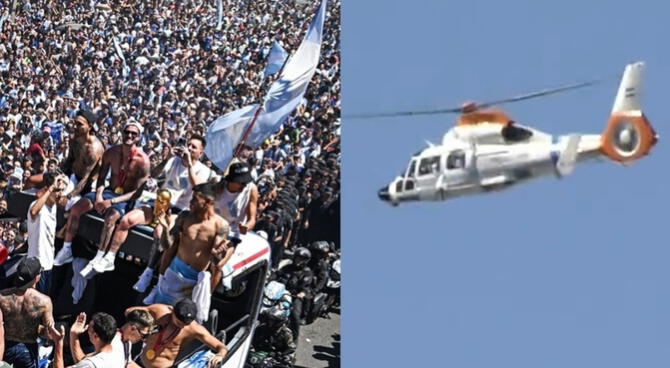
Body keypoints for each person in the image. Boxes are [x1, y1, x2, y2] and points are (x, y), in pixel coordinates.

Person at [109, 135, 216, 292]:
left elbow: (197, 188)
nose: (189, 148)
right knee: (127, 219)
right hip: (159, 203)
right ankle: (109, 257)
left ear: (201, 152)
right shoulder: (174, 161)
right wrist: (168, 158)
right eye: (188, 145)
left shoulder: (205, 171)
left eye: (193, 147)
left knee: (160, 233)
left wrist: (190, 165)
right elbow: (154, 174)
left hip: (178, 211)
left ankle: (149, 271)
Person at [55, 121, 150, 275]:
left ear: (138, 137)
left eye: (133, 133)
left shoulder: (143, 161)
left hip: (124, 198)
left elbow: (136, 193)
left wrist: (111, 202)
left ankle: (100, 257)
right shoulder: (111, 153)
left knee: (111, 218)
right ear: (122, 132)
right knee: (77, 208)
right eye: (127, 132)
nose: (129, 136)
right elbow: (101, 178)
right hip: (107, 192)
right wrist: (99, 196)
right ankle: (66, 249)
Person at [144, 183, 231, 322]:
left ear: (208, 202)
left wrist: (217, 253)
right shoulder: (184, 217)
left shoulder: (220, 226)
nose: (190, 203)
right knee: (156, 317)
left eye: (195, 200)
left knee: (177, 322)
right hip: (172, 275)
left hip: (192, 284)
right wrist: (166, 229)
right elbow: (167, 246)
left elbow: (216, 262)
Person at [126, 299, 227, 368]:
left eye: (186, 324)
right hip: (139, 362)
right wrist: (147, 326)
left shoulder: (194, 329)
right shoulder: (160, 311)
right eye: (179, 323)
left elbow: (220, 346)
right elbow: (128, 311)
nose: (182, 327)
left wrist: (220, 355)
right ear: (173, 311)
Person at [0, 257, 61, 368]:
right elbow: (48, 333)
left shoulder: (2, 296)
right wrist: (33, 327)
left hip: (5, 347)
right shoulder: (44, 301)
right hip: (27, 350)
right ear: (37, 278)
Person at [27, 172, 68, 295]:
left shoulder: (53, 207)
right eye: (57, 190)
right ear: (48, 189)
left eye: (61, 190)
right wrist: (51, 188)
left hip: (49, 265)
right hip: (36, 267)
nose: (60, 194)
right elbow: (34, 211)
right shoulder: (37, 206)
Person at [51, 312, 125, 368]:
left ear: (95, 336)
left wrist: (58, 342)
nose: (87, 329)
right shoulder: (118, 344)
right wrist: (74, 334)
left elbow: (86, 364)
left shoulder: (92, 364)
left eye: (89, 327)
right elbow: (82, 361)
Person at [213, 162, 259, 244]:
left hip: (231, 233)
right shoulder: (218, 185)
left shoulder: (251, 190)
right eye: (241, 182)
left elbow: (252, 219)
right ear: (232, 180)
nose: (245, 185)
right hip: (211, 226)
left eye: (246, 182)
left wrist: (246, 226)